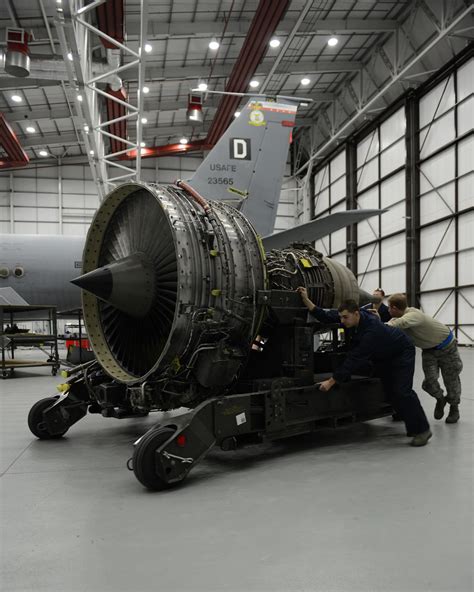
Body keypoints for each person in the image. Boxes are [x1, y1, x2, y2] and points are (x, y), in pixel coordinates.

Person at [297, 287, 432, 446]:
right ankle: (405, 415)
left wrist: (331, 381)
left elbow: (355, 359)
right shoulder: (353, 315)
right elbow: (326, 315)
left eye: (345, 318)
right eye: (341, 317)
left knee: (403, 390)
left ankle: (423, 430)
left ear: (356, 314)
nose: (342, 321)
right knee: (389, 388)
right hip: (384, 355)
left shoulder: (371, 332)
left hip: (401, 352)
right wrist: (306, 300)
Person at [386, 293, 463, 424]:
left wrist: (381, 325)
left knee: (451, 380)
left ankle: (454, 408)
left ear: (394, 308)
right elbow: (393, 325)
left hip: (447, 348)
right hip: (429, 351)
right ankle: (440, 399)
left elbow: (401, 323)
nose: (388, 310)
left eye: (389, 307)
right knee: (429, 382)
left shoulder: (414, 315)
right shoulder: (399, 317)